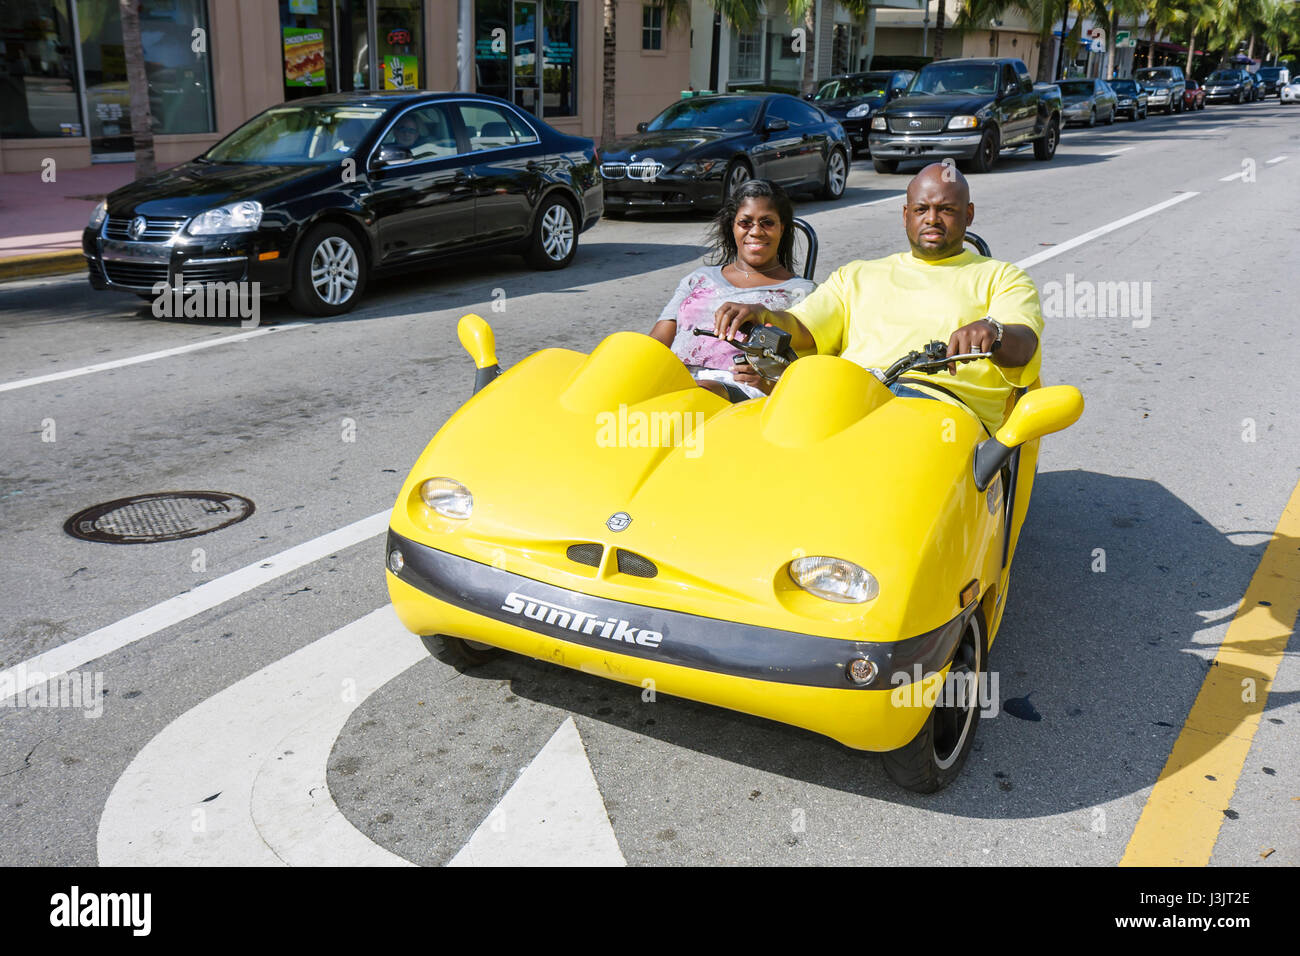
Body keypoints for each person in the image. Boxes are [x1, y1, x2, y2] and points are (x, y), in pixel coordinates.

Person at [713, 162, 1043, 432]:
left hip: (941, 415)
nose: (931, 219)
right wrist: (762, 315)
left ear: (968, 215)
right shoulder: (856, 275)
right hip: (846, 403)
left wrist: (994, 333)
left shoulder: (1003, 277)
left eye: (946, 210)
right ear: (905, 215)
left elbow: (1024, 345)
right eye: (921, 209)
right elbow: (802, 328)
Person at [649, 180, 816, 401]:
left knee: (693, 397)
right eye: (745, 223)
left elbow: (811, 358)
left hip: (737, 386)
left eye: (767, 222)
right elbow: (656, 343)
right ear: (733, 227)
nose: (756, 231)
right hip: (677, 380)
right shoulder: (699, 278)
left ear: (782, 228)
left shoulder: (802, 291)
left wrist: (773, 378)